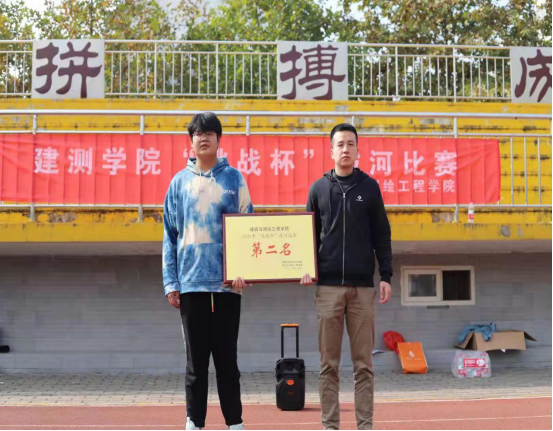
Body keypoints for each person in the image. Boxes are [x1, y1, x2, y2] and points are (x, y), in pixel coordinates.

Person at [163, 112, 253, 431]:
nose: (203, 138)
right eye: (197, 133)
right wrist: (171, 282)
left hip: (228, 287)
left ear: (218, 139)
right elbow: (170, 235)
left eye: (209, 133)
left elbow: (248, 229)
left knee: (227, 361)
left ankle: (235, 423)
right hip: (191, 286)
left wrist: (244, 270)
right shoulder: (178, 183)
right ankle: (194, 421)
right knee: (195, 363)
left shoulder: (234, 179)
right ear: (191, 141)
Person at [301, 123, 393, 431]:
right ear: (331, 151)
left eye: (350, 144)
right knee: (328, 366)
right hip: (328, 288)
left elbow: (382, 234)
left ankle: (365, 426)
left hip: (363, 289)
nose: (345, 149)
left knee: (363, 366)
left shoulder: (370, 188)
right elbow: (307, 235)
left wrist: (386, 275)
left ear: (357, 150)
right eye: (340, 144)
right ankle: (330, 426)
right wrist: (305, 267)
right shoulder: (318, 189)